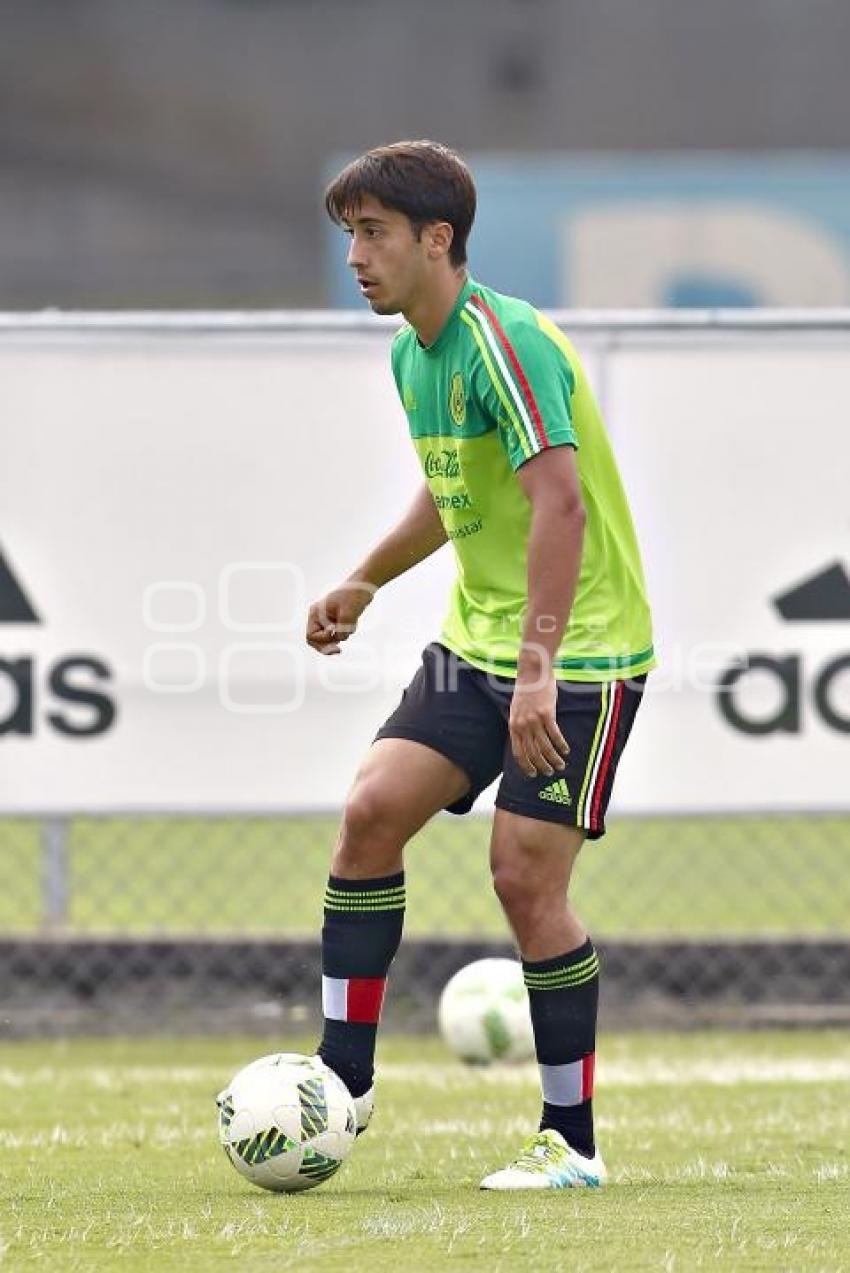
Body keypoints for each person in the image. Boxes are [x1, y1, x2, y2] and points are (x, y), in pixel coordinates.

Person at [305, 140, 654, 1191]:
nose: (357, 256)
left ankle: (569, 1141)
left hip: (579, 651)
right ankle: (341, 1082)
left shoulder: (505, 342)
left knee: (522, 877)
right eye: (350, 236)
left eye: (373, 234)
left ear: (435, 239)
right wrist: (365, 578)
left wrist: (539, 672)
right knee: (371, 811)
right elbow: (452, 491)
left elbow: (561, 500)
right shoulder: (415, 352)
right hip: (476, 644)